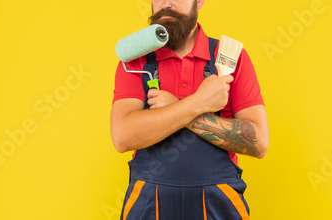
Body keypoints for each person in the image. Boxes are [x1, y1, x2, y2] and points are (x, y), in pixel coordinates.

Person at [111, 0, 269, 219]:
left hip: (219, 203)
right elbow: (123, 136)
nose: (166, 3)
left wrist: (176, 106)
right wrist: (197, 103)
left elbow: (258, 143)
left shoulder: (231, 59)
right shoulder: (135, 61)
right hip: (148, 204)